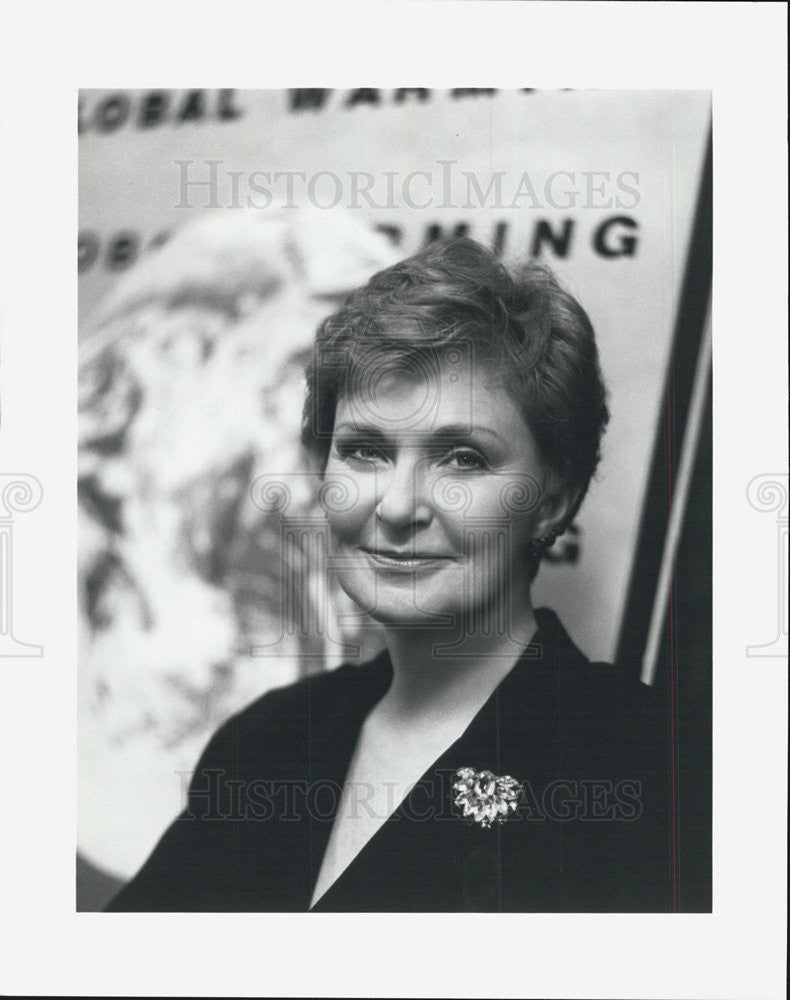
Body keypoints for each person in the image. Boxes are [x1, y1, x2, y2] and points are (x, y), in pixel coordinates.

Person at [106, 237, 671, 912]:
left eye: (462, 458)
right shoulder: (269, 742)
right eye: (365, 451)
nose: (398, 506)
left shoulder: (644, 761)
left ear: (552, 498)